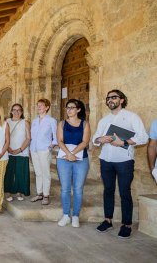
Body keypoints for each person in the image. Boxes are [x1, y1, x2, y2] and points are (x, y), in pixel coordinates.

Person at [93, 89, 148, 238]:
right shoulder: (104, 120)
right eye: (108, 98)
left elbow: (143, 137)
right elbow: (95, 139)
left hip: (124, 161)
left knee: (124, 192)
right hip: (106, 160)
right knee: (108, 190)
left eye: (114, 97)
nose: (110, 100)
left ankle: (126, 224)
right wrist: (100, 139)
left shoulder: (132, 117)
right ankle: (108, 220)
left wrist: (123, 142)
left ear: (122, 100)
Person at [56, 99, 91, 228]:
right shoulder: (62, 124)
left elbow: (85, 142)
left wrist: (73, 153)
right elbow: (60, 141)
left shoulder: (84, 124)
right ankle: (66, 215)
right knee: (65, 189)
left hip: (81, 159)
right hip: (63, 159)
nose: (69, 110)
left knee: (78, 189)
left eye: (72, 107)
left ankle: (75, 215)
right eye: (67, 107)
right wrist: (68, 154)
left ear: (78, 109)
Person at [30, 98, 57, 205]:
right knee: (38, 172)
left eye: (41, 105)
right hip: (34, 149)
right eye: (38, 105)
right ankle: (39, 193)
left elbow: (56, 137)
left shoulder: (51, 120)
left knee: (45, 173)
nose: (39, 107)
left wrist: (50, 147)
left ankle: (46, 195)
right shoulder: (34, 120)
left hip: (44, 150)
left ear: (47, 107)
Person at [4, 103, 31, 202]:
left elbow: (28, 138)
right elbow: (3, 137)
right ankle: (8, 192)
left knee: (20, 172)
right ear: (11, 111)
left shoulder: (25, 122)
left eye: (19, 110)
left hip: (22, 151)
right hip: (8, 151)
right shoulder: (6, 122)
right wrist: (8, 148)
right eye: (14, 110)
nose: (16, 112)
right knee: (8, 172)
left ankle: (19, 191)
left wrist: (20, 149)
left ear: (22, 112)